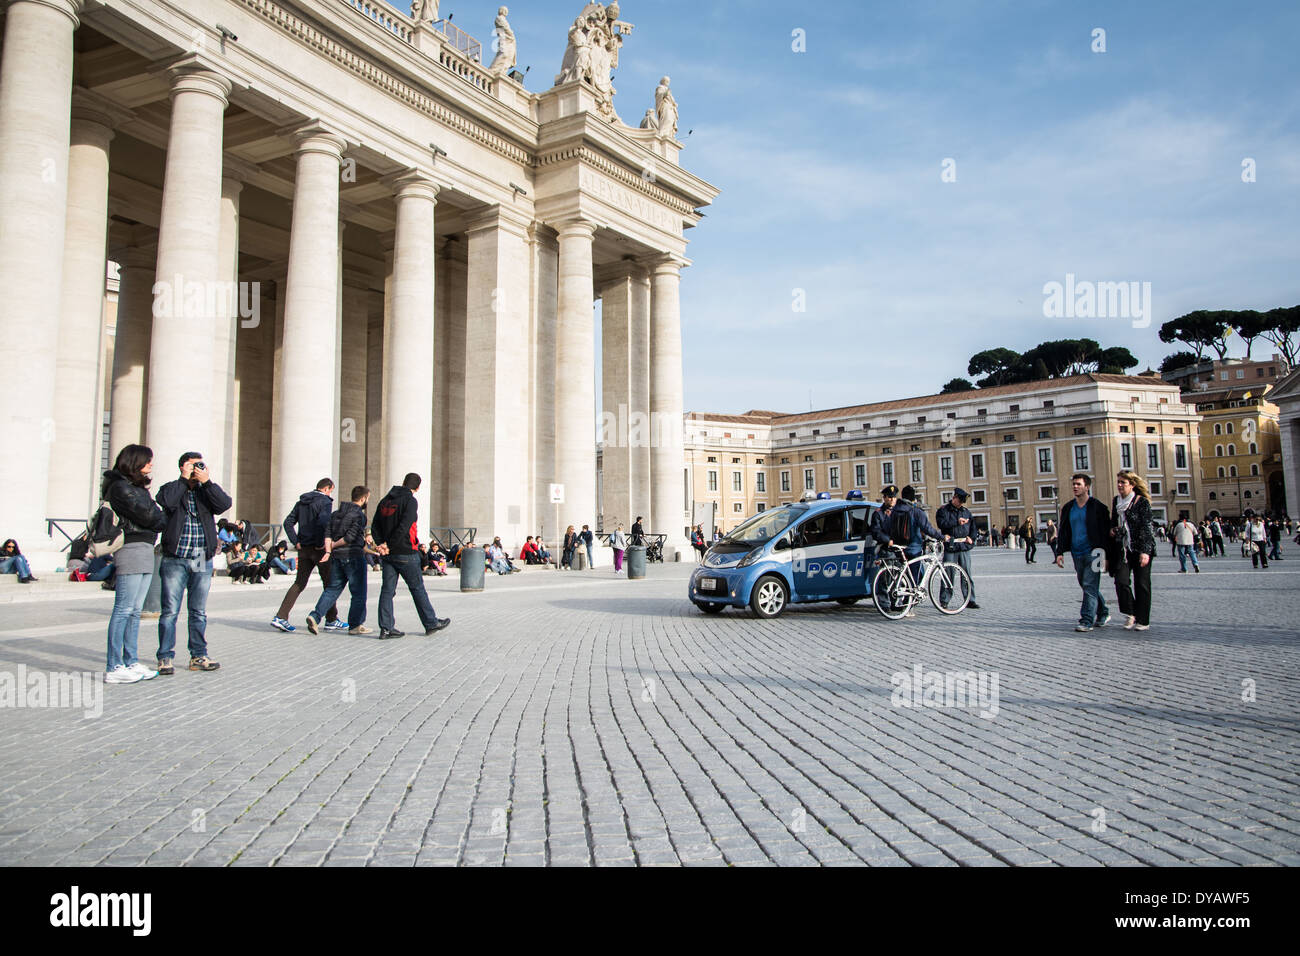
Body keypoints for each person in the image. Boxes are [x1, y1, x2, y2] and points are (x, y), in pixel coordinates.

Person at [155, 451, 231, 673]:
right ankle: (165, 657)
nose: (195, 469)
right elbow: (166, 502)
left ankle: (198, 656)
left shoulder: (205, 491)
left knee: (198, 610)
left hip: (200, 557)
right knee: (170, 610)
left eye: (198, 465)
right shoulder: (171, 488)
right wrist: (183, 480)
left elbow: (224, 504)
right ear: (181, 467)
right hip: (175, 557)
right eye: (191, 466)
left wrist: (207, 483)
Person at [101, 444, 168, 684]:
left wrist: (156, 518)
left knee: (135, 610)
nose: (151, 465)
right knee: (123, 608)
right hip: (130, 547)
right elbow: (150, 516)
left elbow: (157, 517)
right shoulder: (120, 488)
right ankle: (113, 665)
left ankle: (131, 660)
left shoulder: (138, 488)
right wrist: (156, 518)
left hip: (145, 547)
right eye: (147, 461)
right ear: (134, 462)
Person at [372, 473, 449, 638]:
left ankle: (386, 628)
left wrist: (381, 545)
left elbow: (374, 525)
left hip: (388, 554)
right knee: (417, 589)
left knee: (387, 591)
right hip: (405, 551)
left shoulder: (385, 500)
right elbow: (405, 526)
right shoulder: (410, 501)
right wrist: (389, 545)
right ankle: (430, 623)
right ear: (418, 487)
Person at [270, 478, 340, 633]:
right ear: (327, 488)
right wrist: (321, 543)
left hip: (304, 548)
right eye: (331, 490)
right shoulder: (325, 502)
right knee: (329, 583)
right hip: (318, 548)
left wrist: (296, 542)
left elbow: (288, 522)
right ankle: (331, 619)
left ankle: (281, 616)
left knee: (299, 583)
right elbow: (322, 522)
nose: (330, 494)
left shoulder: (302, 501)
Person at [307, 486, 373, 636]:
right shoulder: (359, 515)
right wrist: (334, 545)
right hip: (353, 555)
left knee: (332, 589)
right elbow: (350, 538)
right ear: (363, 499)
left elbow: (328, 533)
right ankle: (355, 625)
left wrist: (329, 550)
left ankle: (315, 616)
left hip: (337, 557)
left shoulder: (336, 513)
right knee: (358, 593)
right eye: (367, 498)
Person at [1053, 473, 1112, 633]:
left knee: (1089, 585)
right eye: (1074, 484)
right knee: (1086, 585)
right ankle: (1103, 611)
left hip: (1096, 552)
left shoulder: (1098, 507)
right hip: (1076, 552)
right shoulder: (1068, 508)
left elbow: (1105, 533)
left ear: (1087, 487)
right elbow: (1064, 532)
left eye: (1078, 484)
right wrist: (1059, 553)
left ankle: (1086, 620)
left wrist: (1106, 555)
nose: (1075, 487)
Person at [1110, 471, 1157, 632]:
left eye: (1123, 482)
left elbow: (1147, 527)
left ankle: (1143, 620)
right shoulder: (1116, 501)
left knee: (1142, 584)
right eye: (1118, 482)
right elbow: (1113, 521)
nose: (1120, 485)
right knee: (1121, 581)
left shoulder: (1141, 502)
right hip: (1123, 549)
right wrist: (1113, 530)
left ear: (1132, 485)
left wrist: (1145, 551)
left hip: (1141, 549)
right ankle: (1131, 612)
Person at [935, 488, 979, 609]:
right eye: (959, 501)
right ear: (954, 498)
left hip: (963, 546)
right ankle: (945, 600)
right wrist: (956, 521)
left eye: (962, 502)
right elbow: (941, 524)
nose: (960, 504)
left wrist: (972, 538)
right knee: (948, 574)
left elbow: (973, 527)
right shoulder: (943, 510)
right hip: (951, 546)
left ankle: (970, 599)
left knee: (967, 575)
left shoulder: (966, 512)